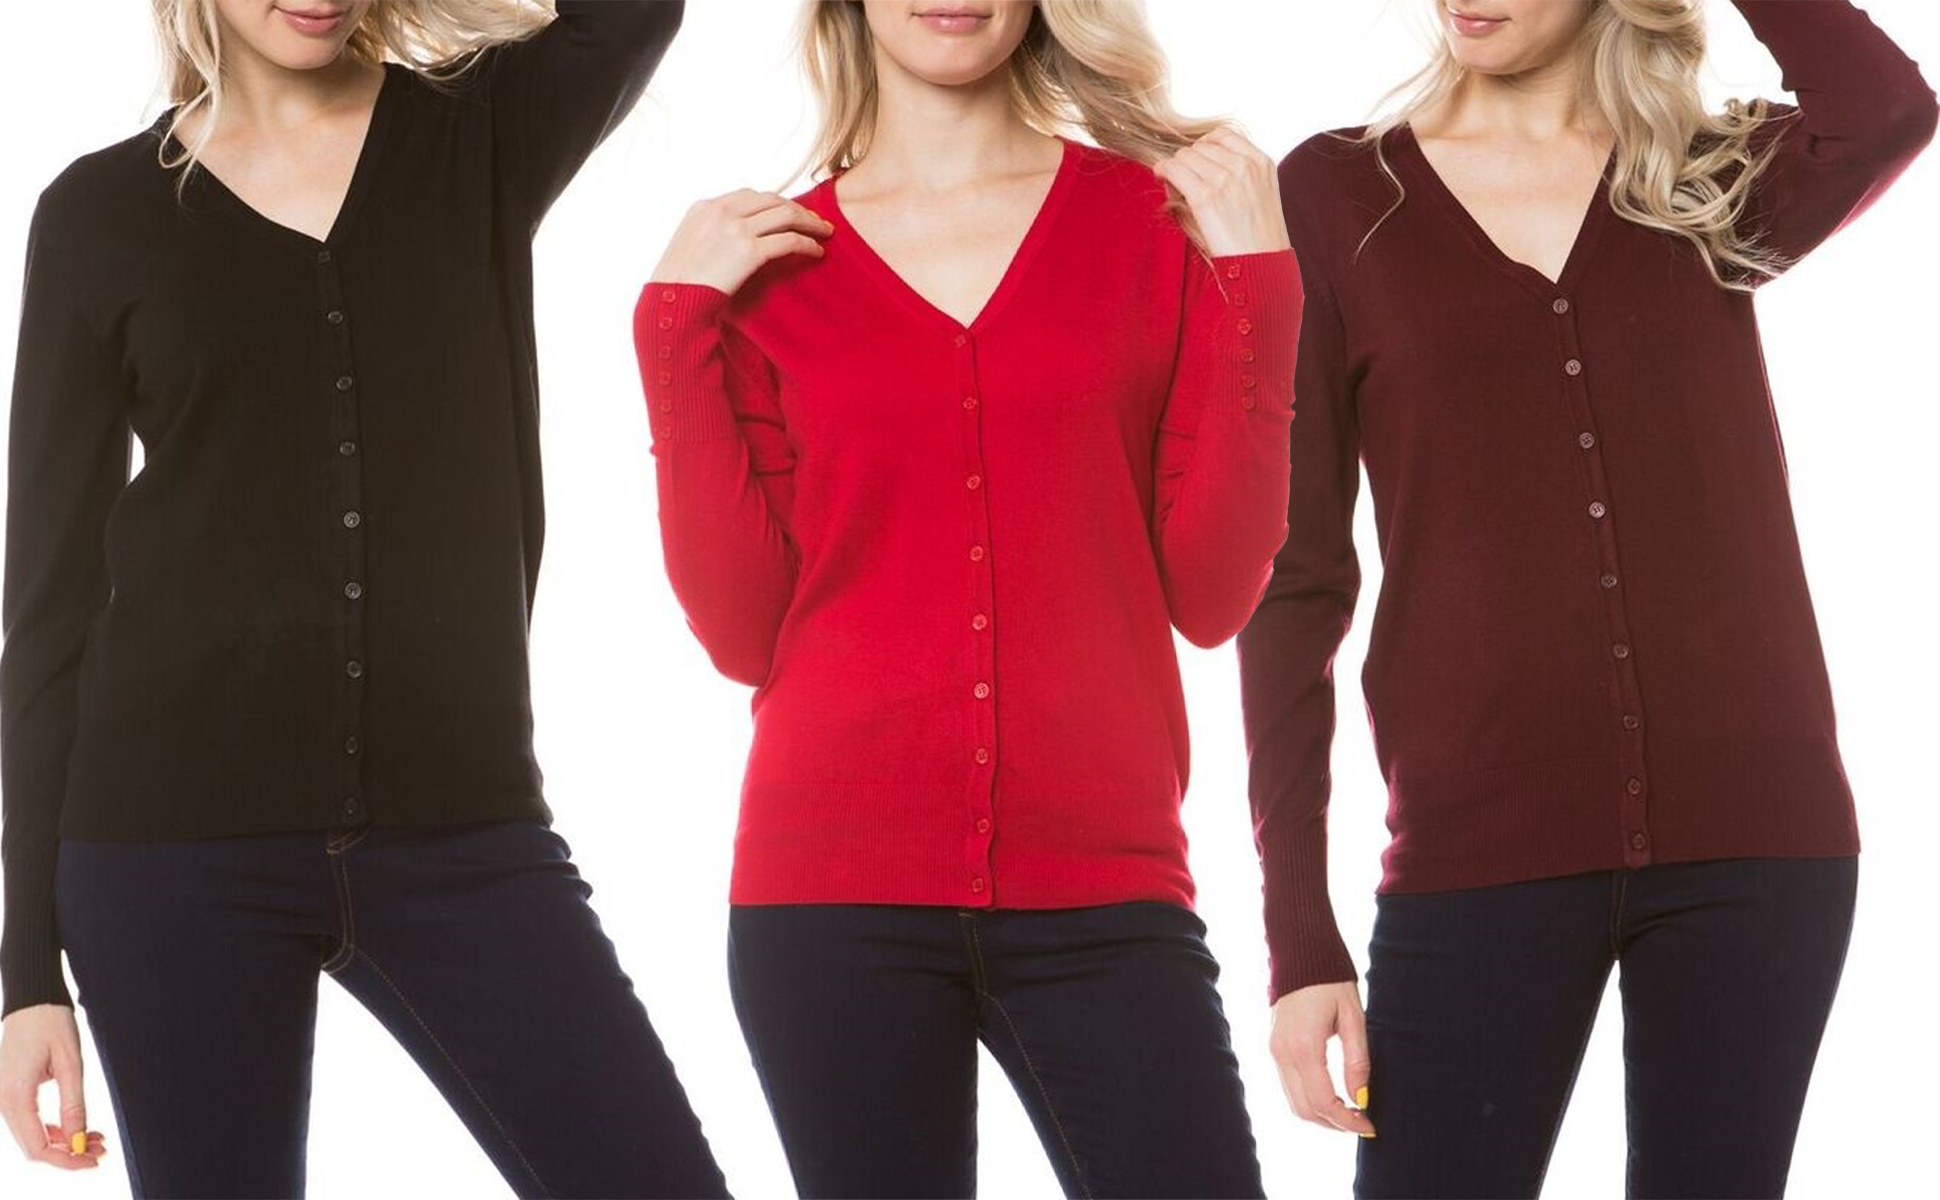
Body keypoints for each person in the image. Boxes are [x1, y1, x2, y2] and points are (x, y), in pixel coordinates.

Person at [0, 2, 729, 1196]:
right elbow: (48, 602)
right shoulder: (97, 213)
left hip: (460, 831)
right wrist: (27, 972)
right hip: (165, 853)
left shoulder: (477, 134)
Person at [1239, 1, 1935, 1196]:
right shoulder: (1338, 195)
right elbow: (1290, 578)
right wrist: (1298, 933)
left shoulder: (1700, 180)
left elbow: (1884, 110)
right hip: (1477, 840)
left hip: (1753, 838)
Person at [635, 1, 1300, 1195]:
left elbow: (1210, 594)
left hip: (1106, 886)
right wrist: (672, 329)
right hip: (827, 898)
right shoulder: (765, 267)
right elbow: (742, 634)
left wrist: (1260, 287)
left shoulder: (1158, 228)